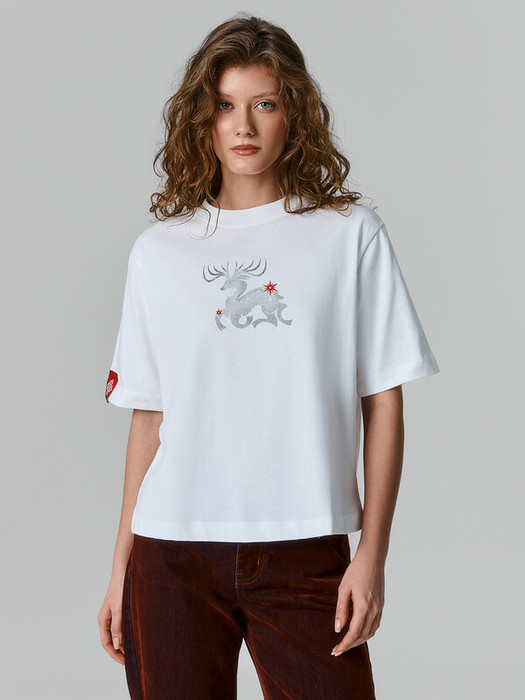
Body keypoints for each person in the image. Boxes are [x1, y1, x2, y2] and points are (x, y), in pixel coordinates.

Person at [97, 13, 440, 700]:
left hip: (304, 547)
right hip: (170, 553)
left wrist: (371, 556)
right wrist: (119, 570)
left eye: (264, 104)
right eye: (225, 106)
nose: (243, 126)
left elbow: (383, 401)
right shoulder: (159, 252)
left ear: (294, 114)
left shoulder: (348, 235)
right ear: (202, 120)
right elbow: (149, 416)